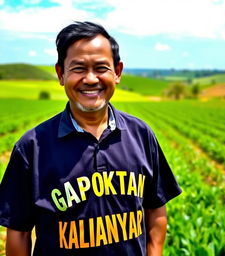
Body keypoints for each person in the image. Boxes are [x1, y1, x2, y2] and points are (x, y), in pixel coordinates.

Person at [0, 21, 182, 256]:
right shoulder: (32, 147)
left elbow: (155, 209)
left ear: (117, 72)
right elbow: (19, 232)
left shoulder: (141, 134)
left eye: (100, 68)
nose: (90, 79)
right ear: (60, 74)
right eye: (78, 68)